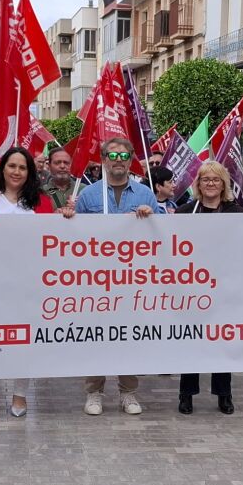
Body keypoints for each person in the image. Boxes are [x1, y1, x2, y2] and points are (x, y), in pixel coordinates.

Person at [0, 147, 72, 417]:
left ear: (30, 172)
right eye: (12, 166)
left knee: (23, 339)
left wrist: (66, 220)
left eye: (22, 167)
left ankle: (20, 394)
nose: (16, 172)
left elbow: (52, 239)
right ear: (2, 168)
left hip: (28, 283)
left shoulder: (41, 202)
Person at [75, 137, 163, 416]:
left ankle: (128, 392)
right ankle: (94, 392)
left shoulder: (145, 194)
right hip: (96, 280)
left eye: (124, 155)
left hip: (133, 280)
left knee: (129, 335)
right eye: (112, 155)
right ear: (103, 159)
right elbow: (73, 237)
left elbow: (162, 232)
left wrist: (153, 215)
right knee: (96, 334)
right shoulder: (88, 196)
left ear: (131, 160)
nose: (118, 160)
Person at [174, 161, 243, 414]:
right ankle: (186, 394)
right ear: (198, 184)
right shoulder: (185, 212)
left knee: (222, 341)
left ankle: (224, 394)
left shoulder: (238, 213)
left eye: (216, 180)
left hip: (227, 288)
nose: (210, 184)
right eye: (205, 179)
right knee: (192, 341)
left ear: (224, 184)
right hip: (193, 288)